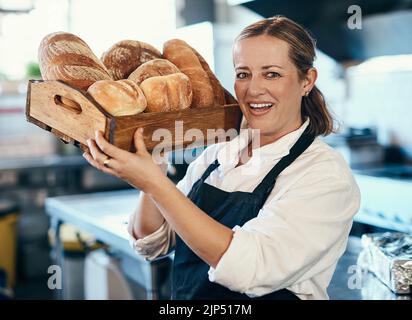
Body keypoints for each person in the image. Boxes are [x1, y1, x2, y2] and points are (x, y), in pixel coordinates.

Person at [83, 16, 361, 300]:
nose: (253, 89)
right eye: (243, 74)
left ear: (307, 81)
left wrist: (156, 185)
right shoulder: (219, 154)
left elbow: (251, 268)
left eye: (272, 74)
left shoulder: (323, 174)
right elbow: (154, 242)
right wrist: (153, 171)